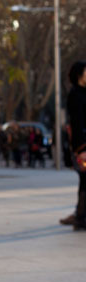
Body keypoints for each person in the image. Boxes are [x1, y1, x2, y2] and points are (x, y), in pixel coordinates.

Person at [62, 60, 86, 229]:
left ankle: (79, 215)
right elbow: (76, 124)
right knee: (85, 179)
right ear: (79, 75)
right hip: (82, 145)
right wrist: (81, 148)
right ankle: (80, 217)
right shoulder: (75, 95)